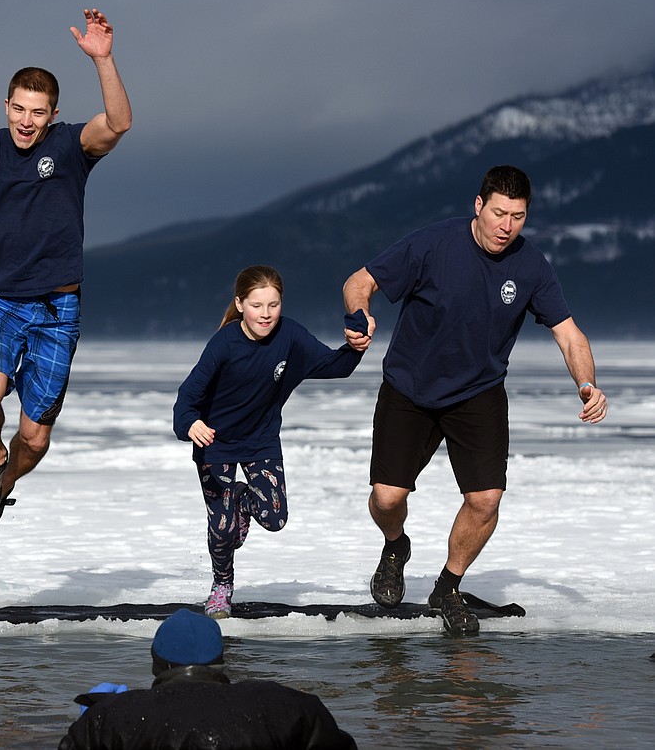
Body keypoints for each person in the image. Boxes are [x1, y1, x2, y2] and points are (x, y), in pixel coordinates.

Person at [342, 165, 608, 635]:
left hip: (478, 393)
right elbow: (358, 281)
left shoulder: (531, 266)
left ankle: (448, 586)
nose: (507, 226)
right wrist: (359, 313)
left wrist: (587, 384)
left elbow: (569, 335)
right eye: (499, 213)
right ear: (478, 206)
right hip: (410, 388)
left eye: (519, 217)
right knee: (387, 498)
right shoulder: (432, 245)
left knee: (486, 500)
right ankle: (395, 545)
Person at [0, 0, 132, 538]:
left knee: (36, 438)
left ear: (53, 116)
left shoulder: (69, 147)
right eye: (19, 108)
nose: (26, 120)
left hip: (59, 307)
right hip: (0, 300)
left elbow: (118, 122)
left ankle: (0, 486)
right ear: (6, 106)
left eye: (38, 112)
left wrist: (103, 60)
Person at [173, 266, 369, 619]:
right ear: (240, 304)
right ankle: (222, 587)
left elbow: (332, 365)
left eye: (273, 305)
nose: (265, 314)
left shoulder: (290, 336)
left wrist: (355, 346)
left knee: (275, 517)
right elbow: (187, 396)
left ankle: (239, 499)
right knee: (222, 529)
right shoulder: (224, 343)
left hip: (260, 440)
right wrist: (191, 424)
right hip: (215, 441)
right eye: (257, 305)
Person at [59, 608, 357, 749]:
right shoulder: (288, 706)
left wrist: (92, 719)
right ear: (221, 661)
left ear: (156, 665)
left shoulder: (114, 716)